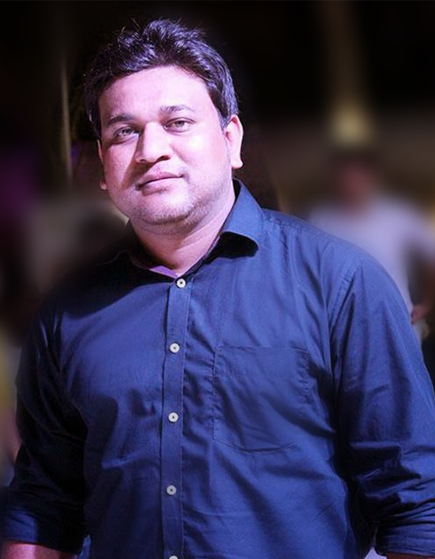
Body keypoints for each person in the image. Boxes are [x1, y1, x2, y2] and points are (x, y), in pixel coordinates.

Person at [2, 20, 435, 559]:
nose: (151, 150)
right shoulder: (67, 312)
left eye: (178, 122)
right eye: (124, 132)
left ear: (232, 140)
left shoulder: (340, 282)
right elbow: (44, 501)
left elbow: (417, 500)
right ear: (104, 169)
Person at [310, 147, 435, 343]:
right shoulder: (320, 218)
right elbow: (311, 272)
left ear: (373, 177)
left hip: (398, 319)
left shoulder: (399, 212)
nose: (351, 184)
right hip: (346, 326)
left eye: (358, 177)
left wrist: (428, 302)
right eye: (345, 177)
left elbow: (429, 254)